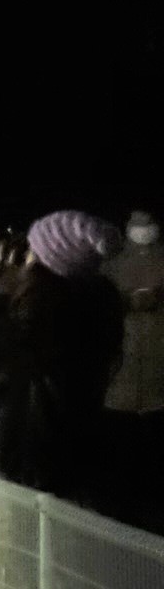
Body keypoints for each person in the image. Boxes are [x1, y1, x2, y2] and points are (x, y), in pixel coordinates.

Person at [0, 210, 124, 500]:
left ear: (47, 267)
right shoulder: (94, 304)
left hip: (28, 466)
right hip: (65, 461)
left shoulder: (51, 316)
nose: (22, 260)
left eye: (31, 254)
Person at [103, 211, 164, 525]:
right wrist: (127, 303)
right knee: (122, 464)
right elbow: (97, 307)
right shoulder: (110, 265)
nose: (145, 230)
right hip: (119, 385)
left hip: (158, 384)